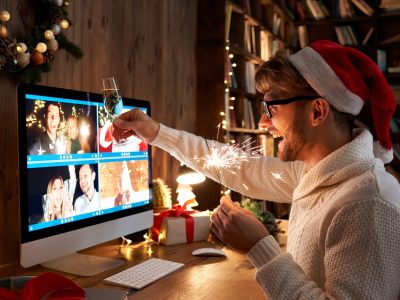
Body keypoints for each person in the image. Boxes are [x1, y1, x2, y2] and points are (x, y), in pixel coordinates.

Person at [112, 40, 400, 299]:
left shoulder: (368, 203)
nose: (263, 123)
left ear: (317, 111)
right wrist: (156, 133)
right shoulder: (314, 173)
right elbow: (239, 168)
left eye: (271, 107)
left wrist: (260, 246)